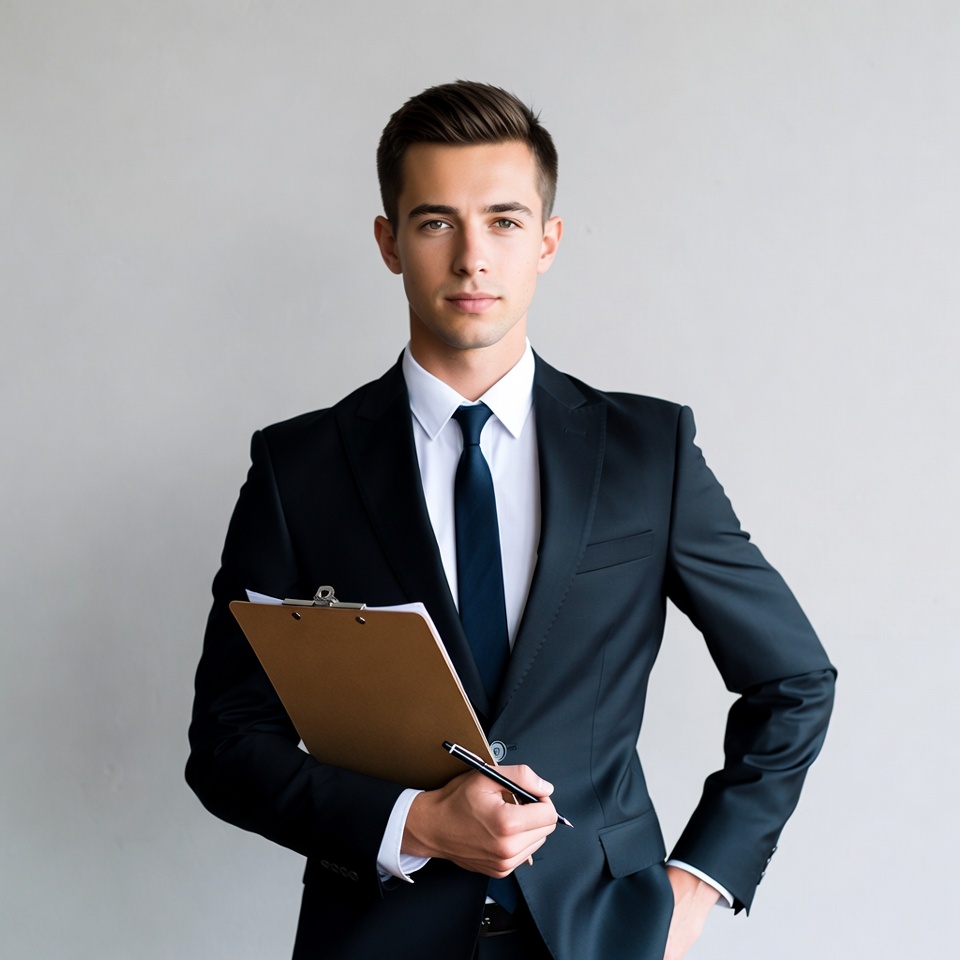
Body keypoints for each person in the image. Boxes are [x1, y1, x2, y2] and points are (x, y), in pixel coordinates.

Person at [186, 80, 835, 960]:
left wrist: (697, 885)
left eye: (502, 221)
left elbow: (793, 682)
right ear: (389, 243)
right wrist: (411, 822)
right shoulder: (299, 468)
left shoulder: (648, 449)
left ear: (547, 241)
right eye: (434, 222)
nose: (471, 260)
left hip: (603, 936)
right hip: (375, 938)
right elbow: (227, 741)